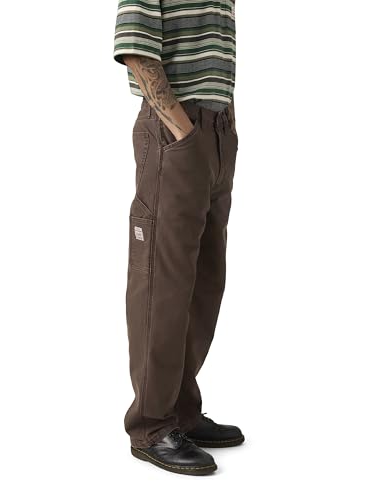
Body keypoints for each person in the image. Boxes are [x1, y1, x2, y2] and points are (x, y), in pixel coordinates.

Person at [113, 0, 243, 476]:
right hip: (176, 132)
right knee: (161, 284)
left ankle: (182, 411)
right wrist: (185, 133)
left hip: (217, 130)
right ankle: (151, 425)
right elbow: (135, 50)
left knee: (205, 282)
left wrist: (225, 126)